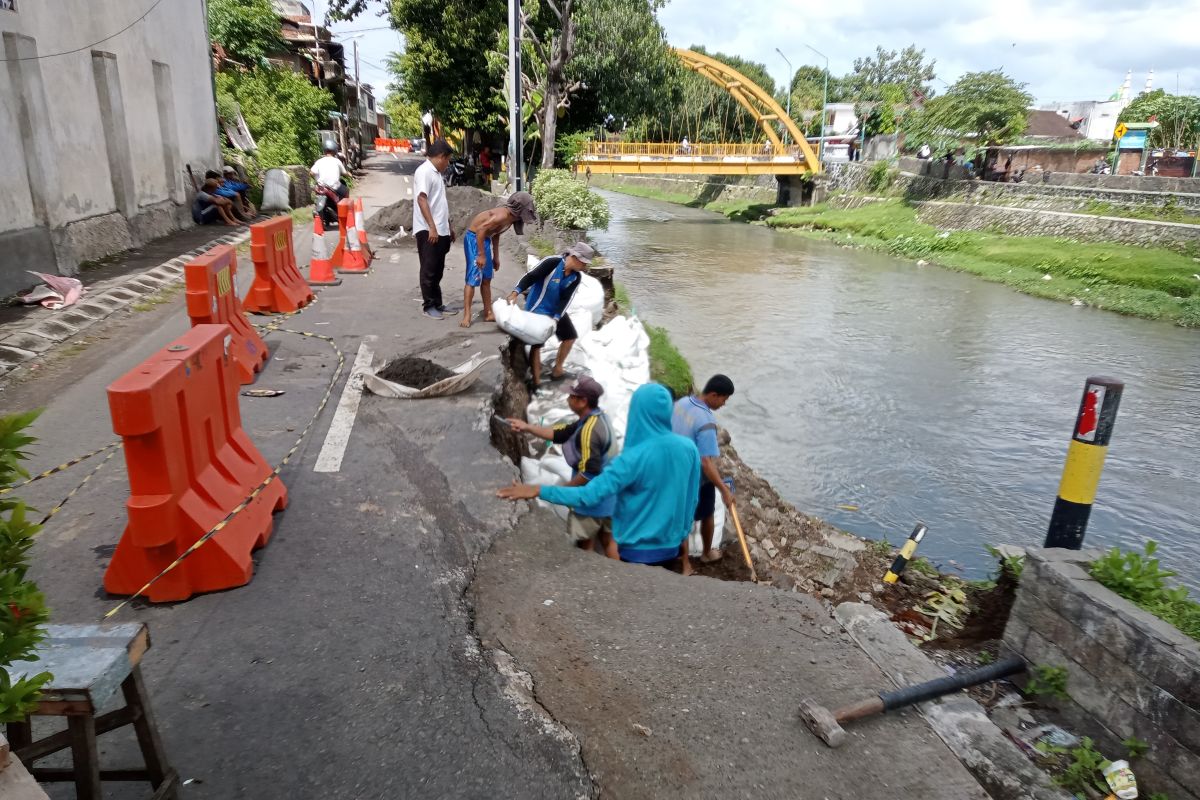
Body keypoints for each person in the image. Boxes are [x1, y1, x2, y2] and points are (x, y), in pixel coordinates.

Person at [499, 383, 700, 570]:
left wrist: (537, 489)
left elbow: (588, 495)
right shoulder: (689, 448)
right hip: (671, 549)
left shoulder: (631, 459)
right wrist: (681, 535)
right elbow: (692, 499)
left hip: (635, 552)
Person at [506, 376, 618, 558]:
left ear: (583, 401)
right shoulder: (596, 418)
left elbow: (589, 473)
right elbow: (560, 433)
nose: (567, 399)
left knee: (585, 543)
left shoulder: (589, 431)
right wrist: (527, 427)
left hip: (592, 499)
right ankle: (619, 578)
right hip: (610, 494)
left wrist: (564, 491)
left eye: (572, 396)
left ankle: (589, 579)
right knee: (608, 540)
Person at [506, 241, 593, 388]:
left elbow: (566, 300)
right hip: (537, 308)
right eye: (584, 263)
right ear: (576, 257)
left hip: (554, 310)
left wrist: (557, 318)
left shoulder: (576, 277)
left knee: (570, 336)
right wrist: (515, 293)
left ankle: (557, 369)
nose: (585, 267)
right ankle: (536, 382)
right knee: (537, 344)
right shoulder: (552, 263)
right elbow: (531, 277)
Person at [673, 374, 735, 573]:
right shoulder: (706, 422)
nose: (723, 404)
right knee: (707, 514)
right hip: (694, 477)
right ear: (714, 395)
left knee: (681, 516)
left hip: (675, 469)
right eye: (724, 399)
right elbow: (706, 462)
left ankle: (682, 560)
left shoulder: (681, 403)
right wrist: (724, 489)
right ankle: (704, 555)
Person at [460, 191, 537, 328]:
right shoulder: (502, 216)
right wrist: (481, 255)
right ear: (519, 208)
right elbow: (480, 230)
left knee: (487, 278)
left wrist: (496, 256)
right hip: (474, 239)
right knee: (473, 278)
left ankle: (488, 312)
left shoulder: (510, 219)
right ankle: (467, 315)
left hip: (485, 240)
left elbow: (495, 235)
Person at [414, 140, 455, 320]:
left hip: (440, 229)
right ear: (441, 157)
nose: (448, 164)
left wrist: (448, 226)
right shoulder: (424, 172)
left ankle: (437, 303)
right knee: (429, 269)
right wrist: (432, 227)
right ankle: (429, 305)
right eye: (447, 160)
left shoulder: (436, 173)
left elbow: (439, 203)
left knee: (438, 269)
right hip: (428, 230)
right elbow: (422, 200)